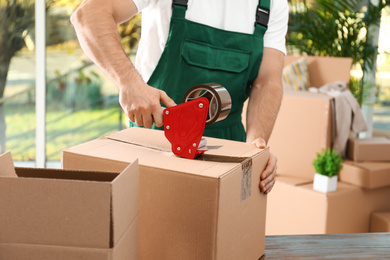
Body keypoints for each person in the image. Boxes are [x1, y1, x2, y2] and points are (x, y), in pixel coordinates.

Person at [71, 0, 288, 194]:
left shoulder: (272, 4)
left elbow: (267, 81)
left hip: (228, 150)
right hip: (156, 138)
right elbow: (89, 15)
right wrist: (129, 83)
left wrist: (255, 146)